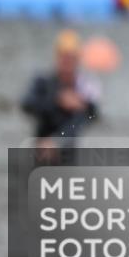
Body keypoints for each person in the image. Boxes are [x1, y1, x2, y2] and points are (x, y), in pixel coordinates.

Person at [21, 29, 101, 162]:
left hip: (67, 158)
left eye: (71, 58)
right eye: (64, 57)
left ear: (78, 60)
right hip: (41, 153)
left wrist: (57, 141)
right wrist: (57, 100)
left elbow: (87, 117)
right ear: (57, 57)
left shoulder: (84, 88)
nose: (67, 62)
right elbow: (26, 105)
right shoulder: (43, 83)